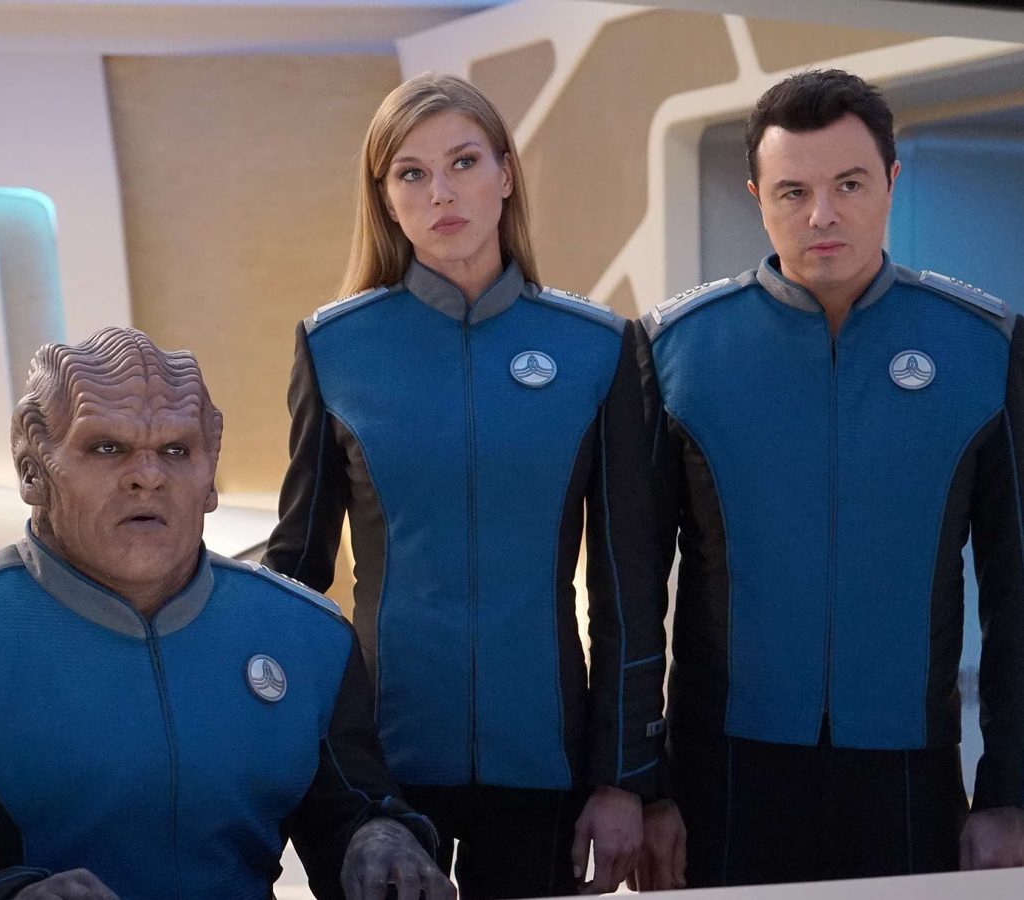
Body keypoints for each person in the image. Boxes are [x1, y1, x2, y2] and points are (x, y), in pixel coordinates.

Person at [0, 327, 454, 900]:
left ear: (210, 476)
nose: (148, 477)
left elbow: (351, 810)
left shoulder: (310, 638)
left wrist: (383, 837)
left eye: (177, 450)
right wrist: (10, 896)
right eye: (107, 447)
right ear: (31, 468)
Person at [263, 72, 667, 897]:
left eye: (463, 162)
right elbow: (295, 575)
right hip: (381, 766)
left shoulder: (597, 348)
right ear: (385, 199)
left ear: (506, 174)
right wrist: (269, 745)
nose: (441, 193)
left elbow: (627, 586)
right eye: (410, 173)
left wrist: (623, 777)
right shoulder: (335, 347)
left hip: (543, 758)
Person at [633, 69, 1024, 890]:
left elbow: (1017, 590)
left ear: (891, 181)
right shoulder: (678, 352)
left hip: (909, 775)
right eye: (793, 191)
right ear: (757, 198)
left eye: (849, 184)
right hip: (722, 778)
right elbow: (631, 588)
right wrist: (643, 782)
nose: (822, 214)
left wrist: (1008, 794)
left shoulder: (984, 349)